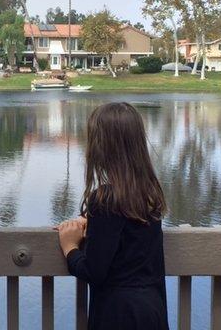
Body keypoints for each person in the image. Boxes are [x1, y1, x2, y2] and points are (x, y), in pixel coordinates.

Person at [56, 102, 169, 330]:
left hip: (118, 314)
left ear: (101, 148)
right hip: (152, 310)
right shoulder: (148, 194)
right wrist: (94, 224)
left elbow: (93, 271)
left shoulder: (107, 199)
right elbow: (127, 234)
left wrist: (70, 247)